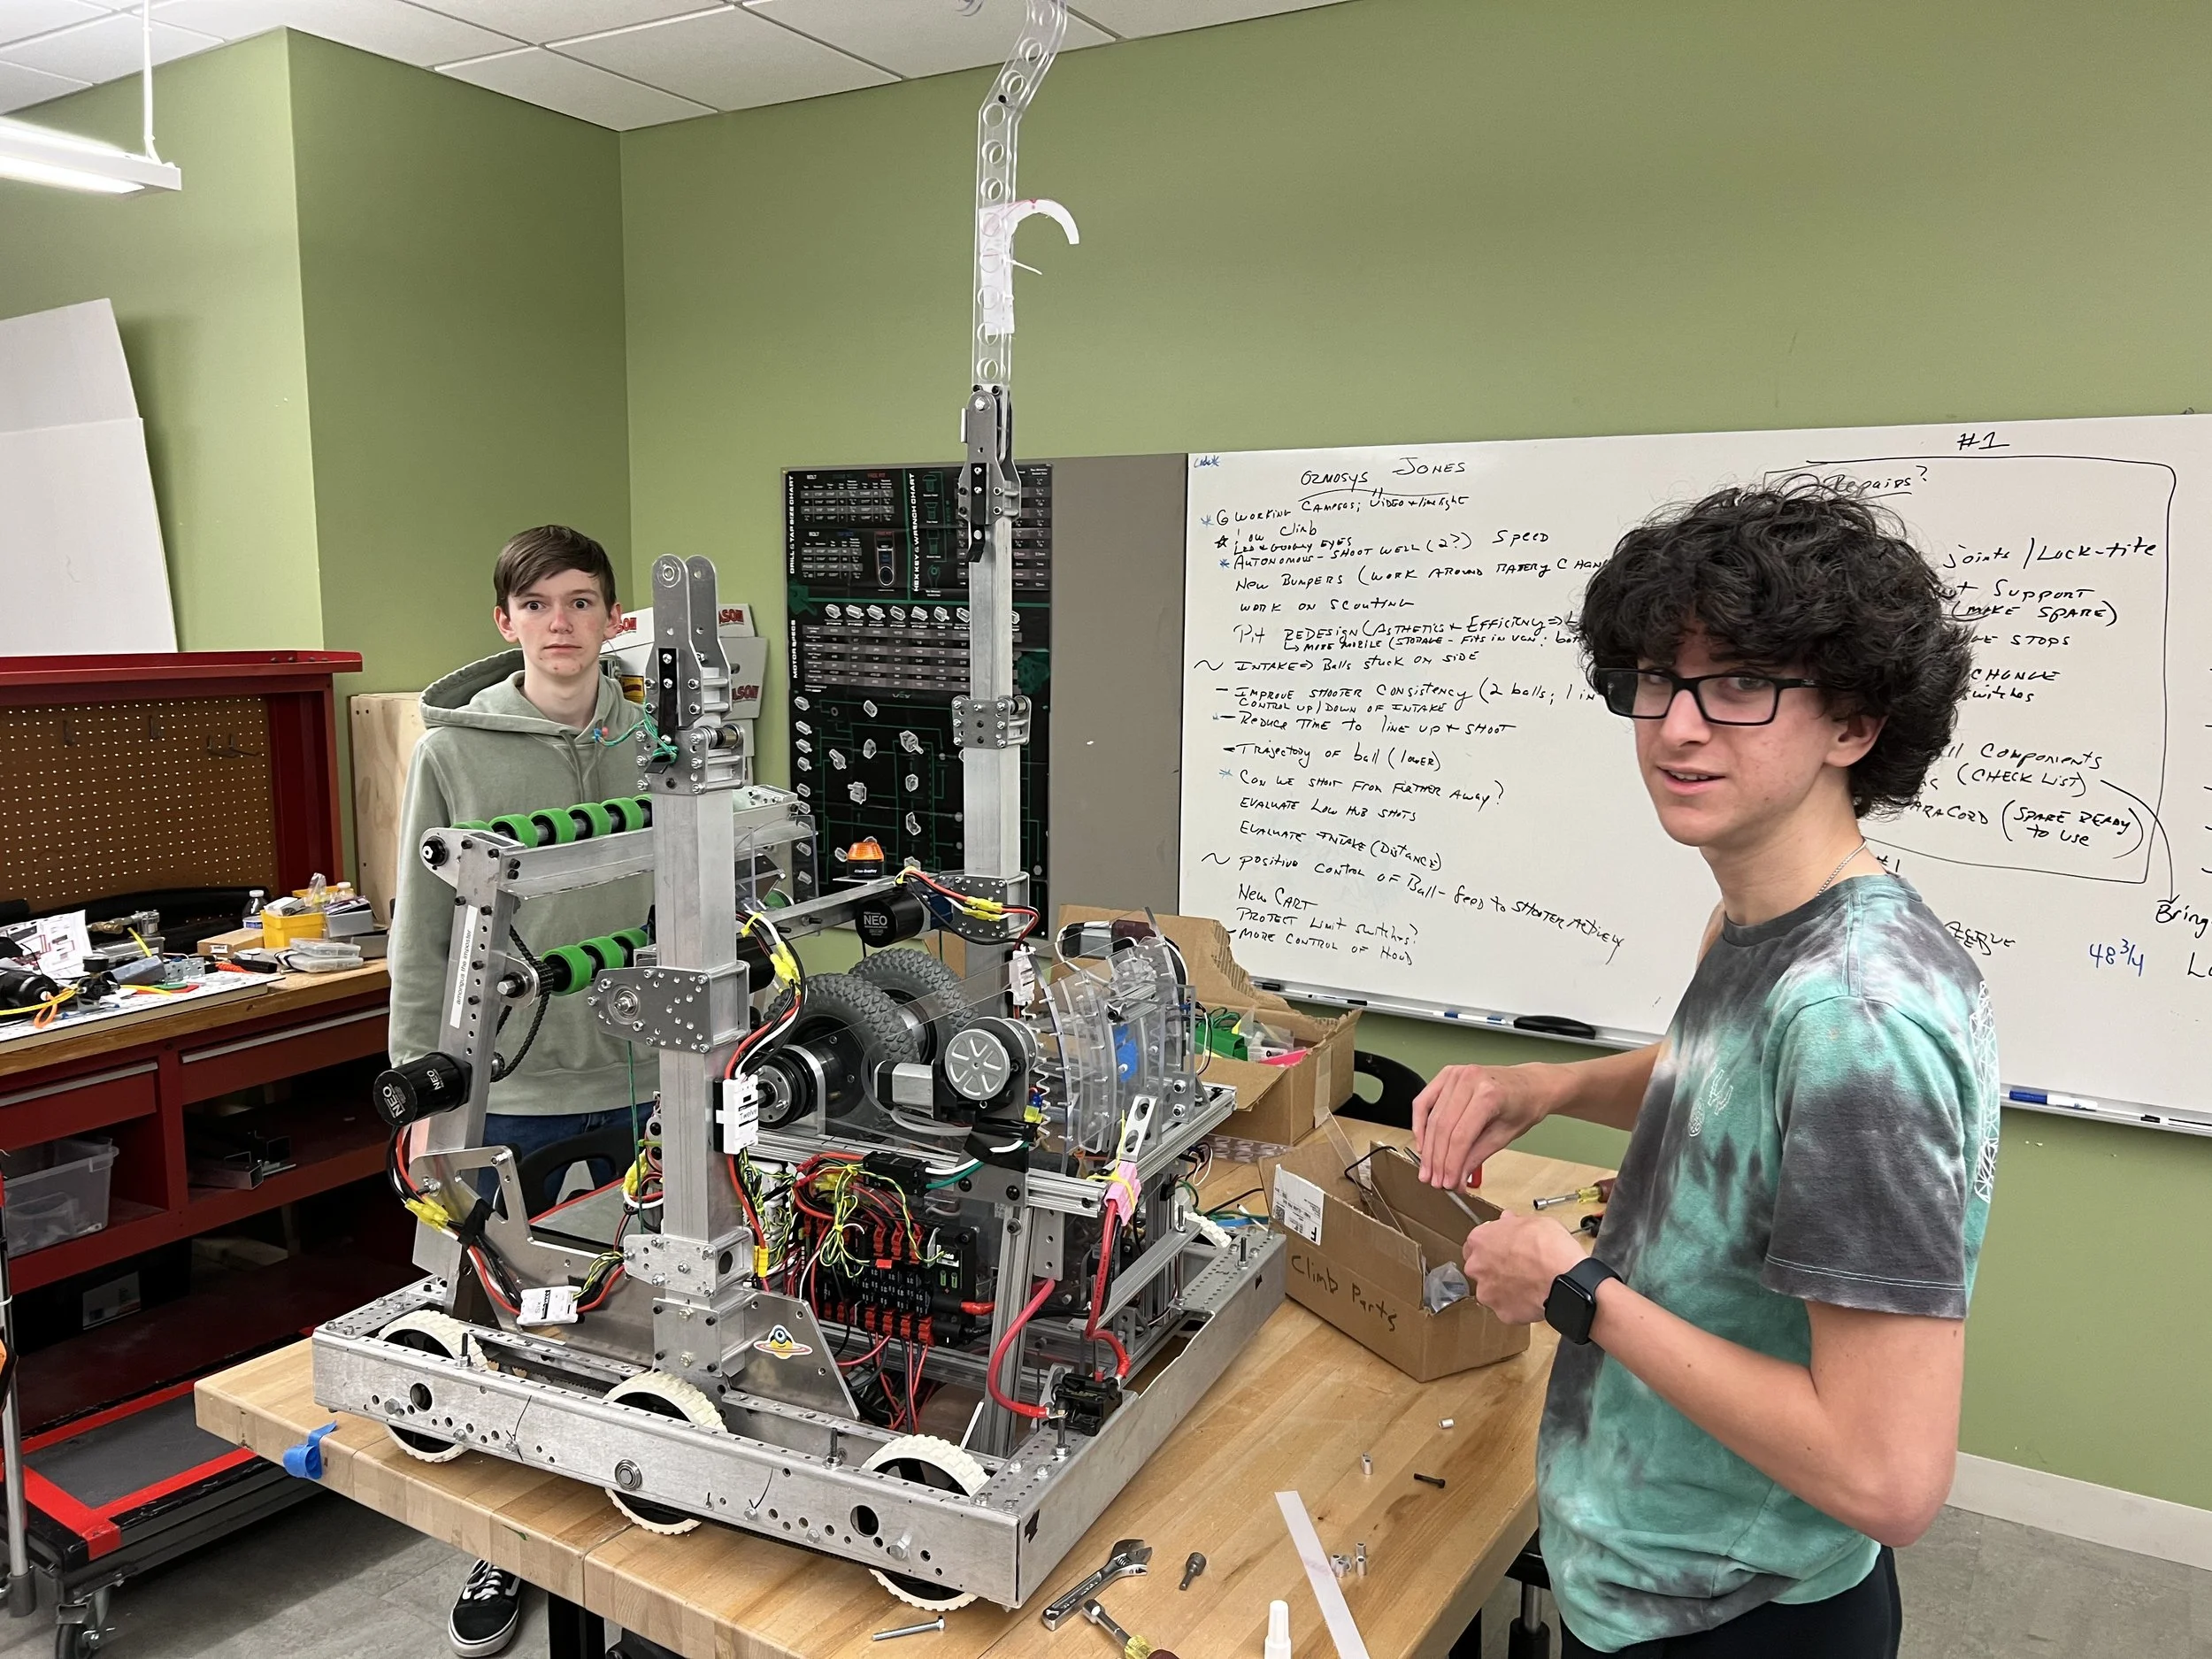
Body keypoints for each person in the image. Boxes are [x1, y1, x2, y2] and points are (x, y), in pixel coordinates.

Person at [1413, 482, 1993, 1657]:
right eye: (1656, 679)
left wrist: (1575, 1290)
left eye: (1739, 685)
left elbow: (1887, 1478)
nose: (1676, 727)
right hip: (1658, 1565)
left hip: (1738, 1617)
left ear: (1853, 722)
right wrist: (1546, 1089)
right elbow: (1726, 1081)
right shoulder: (1762, 926)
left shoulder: (1858, 1017)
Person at [386, 524, 657, 1658]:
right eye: (537, 604)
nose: (560, 623)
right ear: (505, 622)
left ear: (612, 619)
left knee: (649, 1306)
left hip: (644, 1073)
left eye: (581, 601)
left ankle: (639, 1498)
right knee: (501, 1318)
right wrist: (423, 1099)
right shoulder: (453, 753)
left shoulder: (659, 740)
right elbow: (421, 930)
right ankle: (505, 1543)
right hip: (513, 1085)